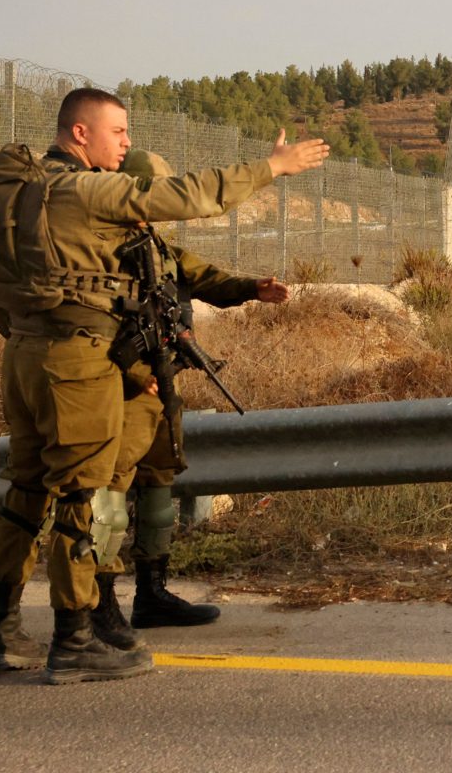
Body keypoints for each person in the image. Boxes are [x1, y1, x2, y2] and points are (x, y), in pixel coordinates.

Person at [0, 87, 328, 684]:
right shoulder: (81, 191)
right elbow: (183, 195)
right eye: (120, 131)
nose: (128, 142)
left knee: (26, 491)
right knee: (83, 497)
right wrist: (272, 168)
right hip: (77, 363)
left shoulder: (27, 195)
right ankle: (75, 639)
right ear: (80, 133)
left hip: (29, 354)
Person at [89, 148, 290, 646]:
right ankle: (100, 602)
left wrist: (252, 288)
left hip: (161, 380)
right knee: (110, 495)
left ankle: (151, 595)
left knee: (159, 481)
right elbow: (87, 323)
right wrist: (136, 374)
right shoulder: (95, 245)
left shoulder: (153, 242)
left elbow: (199, 276)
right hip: (119, 387)